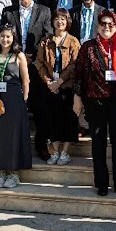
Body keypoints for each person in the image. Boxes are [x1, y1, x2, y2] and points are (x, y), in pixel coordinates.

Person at [72, 9, 116, 196]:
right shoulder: (88, 47)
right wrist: (77, 98)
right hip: (95, 101)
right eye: (103, 24)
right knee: (98, 144)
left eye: (110, 24)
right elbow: (79, 75)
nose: (106, 27)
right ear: (98, 26)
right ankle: (101, 183)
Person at [0, 0, 53, 160]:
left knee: (41, 109)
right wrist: (18, 55)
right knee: (14, 107)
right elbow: (4, 36)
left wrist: (33, 56)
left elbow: (47, 36)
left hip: (37, 66)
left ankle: (41, 146)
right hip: (13, 65)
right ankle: (15, 147)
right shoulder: (8, 12)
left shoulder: (44, 11)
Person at [0, 24, 32, 188]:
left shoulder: (18, 56)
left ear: (13, 38)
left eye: (8, 37)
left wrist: (24, 100)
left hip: (14, 99)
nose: (5, 39)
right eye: (2, 36)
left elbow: (25, 80)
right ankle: (1, 172)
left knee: (13, 135)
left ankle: (14, 173)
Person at [36, 9, 81, 166]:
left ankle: (64, 152)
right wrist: (49, 82)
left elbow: (75, 65)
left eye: (63, 19)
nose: (60, 22)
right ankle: (54, 151)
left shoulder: (73, 41)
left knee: (68, 119)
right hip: (50, 88)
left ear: (67, 21)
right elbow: (39, 63)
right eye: (57, 19)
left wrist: (60, 81)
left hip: (66, 87)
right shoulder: (46, 41)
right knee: (52, 119)